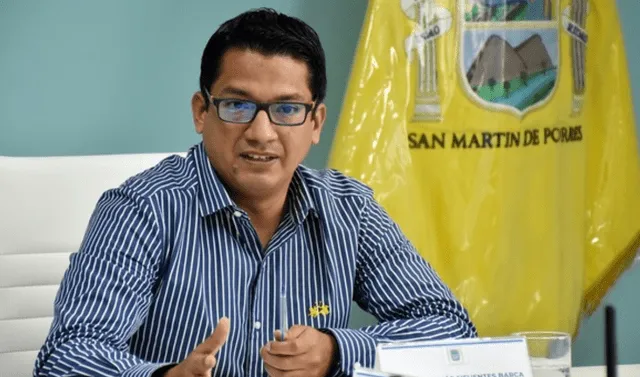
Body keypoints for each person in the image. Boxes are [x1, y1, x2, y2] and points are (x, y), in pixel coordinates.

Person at [33, 7, 477, 377]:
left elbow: (451, 329)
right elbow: (65, 357)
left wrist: (336, 351)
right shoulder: (142, 209)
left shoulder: (350, 210)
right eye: (237, 105)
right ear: (201, 112)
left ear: (316, 122)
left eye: (286, 109)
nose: (261, 132)